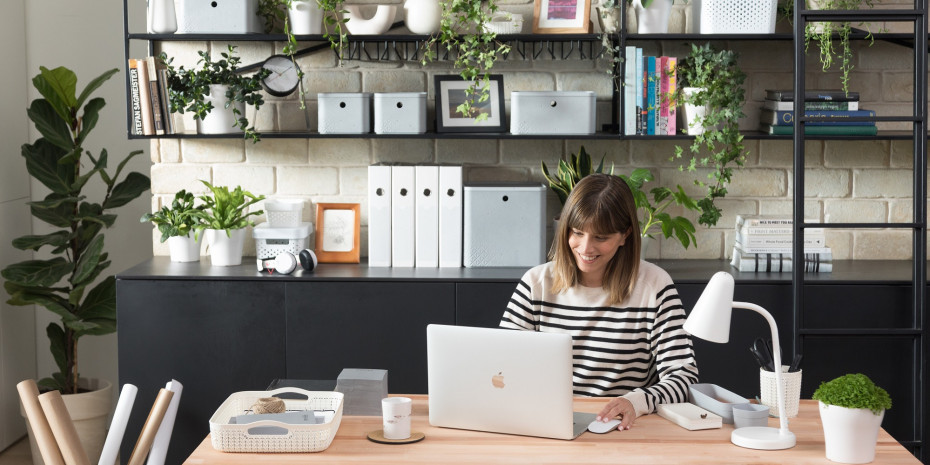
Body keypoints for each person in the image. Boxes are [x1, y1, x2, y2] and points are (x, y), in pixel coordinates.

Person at [500, 173, 698, 431]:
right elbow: (502, 366)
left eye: (601, 238)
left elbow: (684, 378)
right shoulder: (536, 283)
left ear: (625, 235)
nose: (585, 247)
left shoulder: (655, 286)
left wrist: (635, 402)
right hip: (548, 423)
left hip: (622, 427)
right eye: (577, 232)